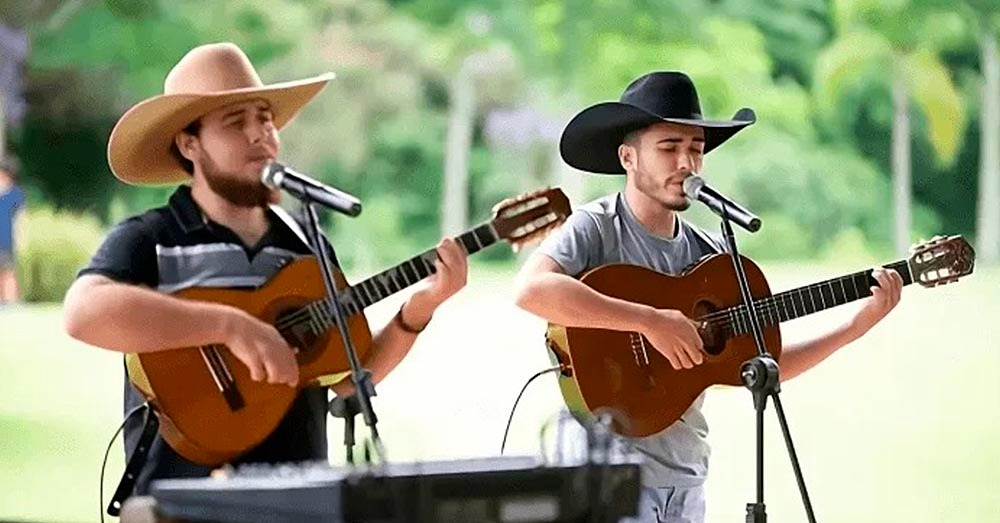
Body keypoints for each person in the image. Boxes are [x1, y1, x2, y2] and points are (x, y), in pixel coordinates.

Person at [62, 42, 468, 496]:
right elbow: (83, 313)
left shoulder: (306, 247)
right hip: (182, 502)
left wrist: (420, 308)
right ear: (189, 143)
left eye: (266, 120)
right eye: (236, 122)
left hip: (298, 496)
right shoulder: (153, 238)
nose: (261, 135)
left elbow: (351, 377)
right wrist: (227, 325)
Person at [513, 71, 903, 523]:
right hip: (608, 477)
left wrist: (855, 326)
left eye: (695, 150)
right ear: (628, 158)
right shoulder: (597, 227)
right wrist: (649, 321)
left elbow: (760, 363)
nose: (686, 163)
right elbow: (532, 290)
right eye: (669, 147)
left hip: (686, 477)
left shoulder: (712, 256)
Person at [0, 157, 25, 305]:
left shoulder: (15, 194)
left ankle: (10, 299)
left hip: (7, 239)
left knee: (8, 270)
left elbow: (20, 218)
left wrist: (21, 237)